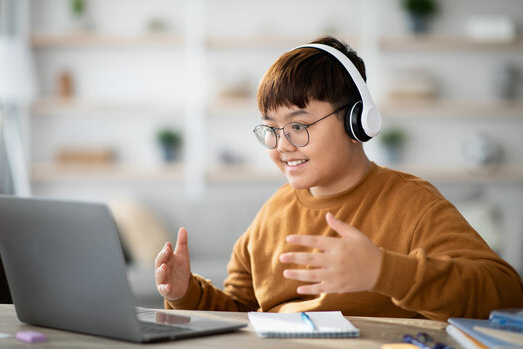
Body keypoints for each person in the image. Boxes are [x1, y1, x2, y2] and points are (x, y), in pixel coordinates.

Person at [154, 36, 523, 321]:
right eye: (271, 129)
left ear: (356, 122)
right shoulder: (272, 213)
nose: (282, 144)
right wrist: (188, 293)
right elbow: (240, 313)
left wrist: (385, 271)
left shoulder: (413, 204)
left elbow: (506, 294)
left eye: (298, 125)